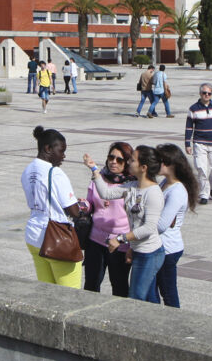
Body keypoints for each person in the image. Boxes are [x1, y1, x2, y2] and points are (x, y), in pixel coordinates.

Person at [84, 145, 165, 302]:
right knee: (142, 296)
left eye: (132, 160)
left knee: (137, 297)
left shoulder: (153, 193)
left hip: (150, 253)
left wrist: (120, 239)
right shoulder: (132, 187)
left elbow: (149, 228)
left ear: (143, 167)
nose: (128, 163)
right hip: (138, 249)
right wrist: (94, 169)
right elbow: (106, 193)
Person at [22, 126, 87, 288]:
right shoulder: (55, 173)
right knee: (69, 295)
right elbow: (73, 211)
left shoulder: (28, 170)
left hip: (33, 235)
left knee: (47, 291)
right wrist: (84, 210)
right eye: (61, 150)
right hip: (56, 238)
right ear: (48, 148)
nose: (63, 156)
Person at [149, 144, 199, 308]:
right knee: (153, 290)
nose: (155, 164)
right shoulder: (164, 183)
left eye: (159, 161)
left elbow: (162, 224)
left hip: (168, 249)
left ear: (171, 164)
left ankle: (175, 325)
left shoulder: (177, 191)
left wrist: (143, 223)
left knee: (168, 293)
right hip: (159, 246)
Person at [83, 142, 134, 297]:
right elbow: (90, 204)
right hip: (95, 240)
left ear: (127, 163)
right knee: (91, 284)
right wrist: (83, 205)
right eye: (111, 157)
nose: (114, 162)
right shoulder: (99, 178)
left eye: (119, 159)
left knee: (119, 287)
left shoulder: (131, 185)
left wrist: (131, 246)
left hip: (119, 243)